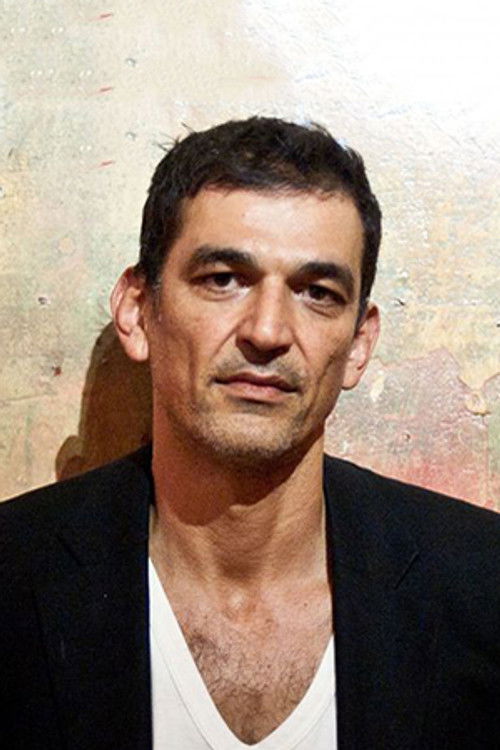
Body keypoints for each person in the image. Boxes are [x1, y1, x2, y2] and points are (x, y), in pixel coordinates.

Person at [1, 117, 499, 750]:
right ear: (138, 311)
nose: (267, 331)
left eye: (317, 292)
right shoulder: (15, 579)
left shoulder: (482, 585)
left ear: (358, 344)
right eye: (223, 279)